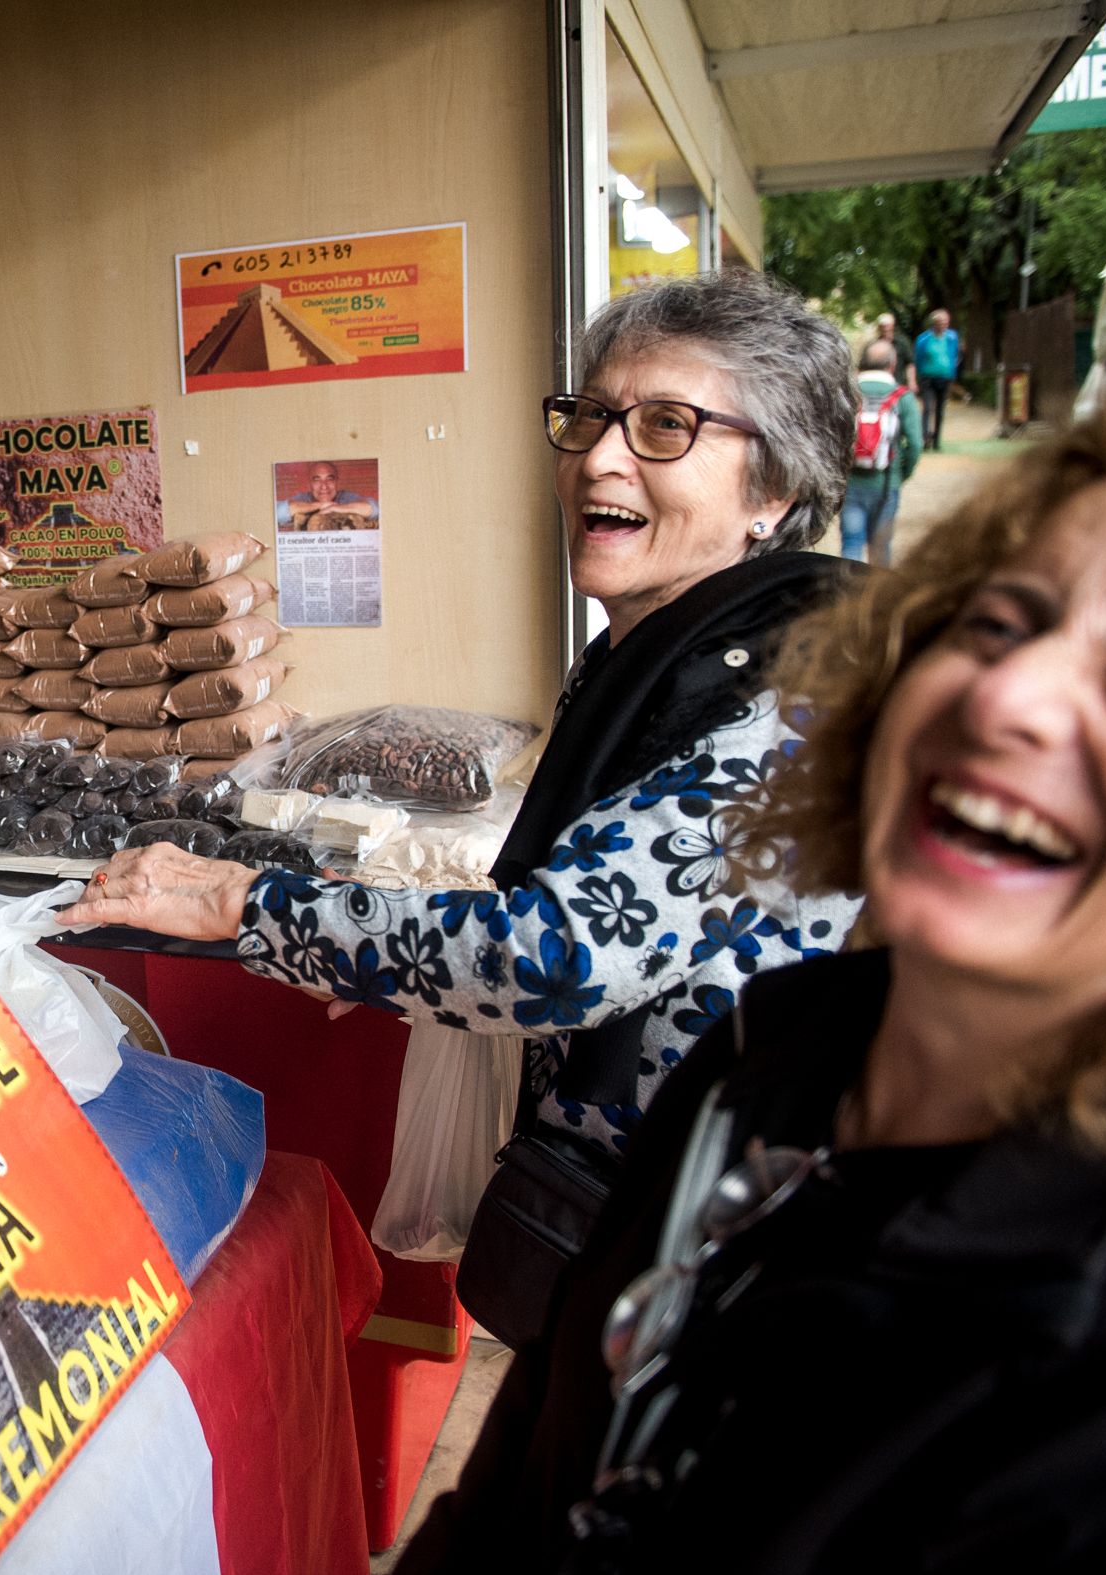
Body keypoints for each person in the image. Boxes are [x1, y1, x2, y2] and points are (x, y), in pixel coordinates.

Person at [400, 381, 1106, 1575]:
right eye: (1000, 623)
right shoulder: (773, 1054)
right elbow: (533, 1457)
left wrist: (241, 906)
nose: (1008, 697)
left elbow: (543, 954)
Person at [64, 271, 866, 1299]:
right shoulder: (653, 661)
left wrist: (243, 904)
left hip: (722, 1252)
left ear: (774, 493)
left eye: (666, 425)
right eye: (590, 417)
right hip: (626, 1218)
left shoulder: (784, 695)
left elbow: (559, 952)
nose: (598, 458)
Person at [842, 338, 922, 566]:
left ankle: (846, 595)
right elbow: (915, 443)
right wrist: (901, 473)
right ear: (893, 364)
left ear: (863, 362)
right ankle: (878, 596)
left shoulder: (848, 392)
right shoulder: (902, 397)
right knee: (880, 546)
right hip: (887, 482)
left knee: (851, 542)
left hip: (851, 481)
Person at [274, 460, 380, 529]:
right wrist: (318, 505)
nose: (324, 486)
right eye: (317, 480)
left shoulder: (347, 497)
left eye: (329, 479)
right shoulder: (303, 498)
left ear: (336, 482)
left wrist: (337, 508)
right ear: (310, 484)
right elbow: (277, 512)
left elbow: (376, 509)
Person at [912, 306, 961, 449]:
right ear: (934, 323)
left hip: (945, 378)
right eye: (940, 322)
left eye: (946, 322)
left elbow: (954, 355)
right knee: (927, 407)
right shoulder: (923, 339)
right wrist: (918, 377)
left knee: (940, 409)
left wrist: (952, 373)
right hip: (928, 378)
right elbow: (918, 359)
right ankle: (925, 438)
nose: (943, 324)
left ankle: (937, 440)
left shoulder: (952, 337)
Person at [867, 311, 916, 388]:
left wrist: (912, 381)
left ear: (892, 326)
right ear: (879, 327)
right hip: (878, 384)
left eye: (887, 325)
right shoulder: (873, 345)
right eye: (882, 326)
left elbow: (910, 364)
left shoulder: (902, 343)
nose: (885, 328)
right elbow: (864, 365)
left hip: (897, 383)